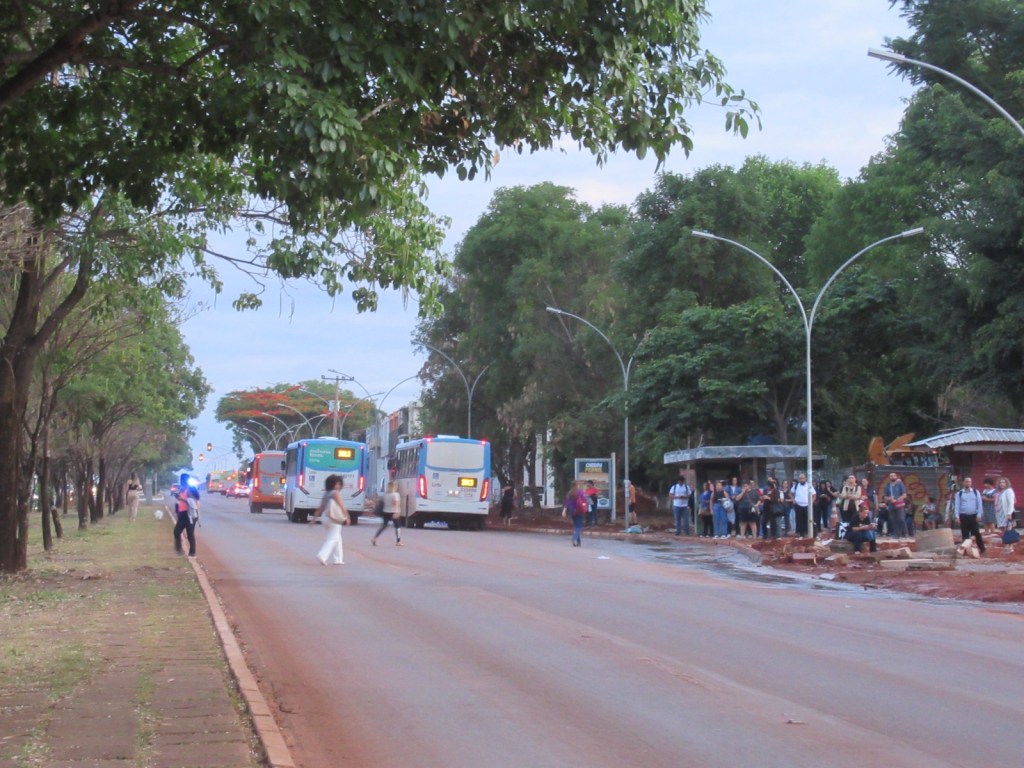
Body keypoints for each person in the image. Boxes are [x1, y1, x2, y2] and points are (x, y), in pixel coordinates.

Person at [311, 474, 348, 565]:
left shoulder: (326, 493)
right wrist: (347, 517)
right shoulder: (335, 493)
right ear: (331, 484)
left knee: (337, 538)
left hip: (325, 518)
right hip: (333, 519)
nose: (338, 486)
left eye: (339, 484)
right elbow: (342, 505)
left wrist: (314, 519)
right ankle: (322, 555)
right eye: (336, 484)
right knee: (332, 539)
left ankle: (338, 559)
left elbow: (320, 508)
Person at [953, 476, 985, 554]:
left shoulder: (975, 492)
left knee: (976, 533)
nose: (968, 483)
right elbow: (957, 505)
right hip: (963, 516)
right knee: (965, 534)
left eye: (969, 482)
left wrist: (979, 514)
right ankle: (966, 550)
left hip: (973, 516)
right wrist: (957, 516)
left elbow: (979, 504)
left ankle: (982, 549)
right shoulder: (959, 493)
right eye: (966, 482)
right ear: (963, 483)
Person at [172, 473, 200, 557]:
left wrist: (182, 499)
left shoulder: (191, 488)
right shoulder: (182, 489)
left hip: (190, 513)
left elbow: (195, 499)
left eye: (183, 480)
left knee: (190, 533)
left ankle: (192, 552)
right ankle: (179, 550)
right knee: (177, 531)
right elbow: (179, 501)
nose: (182, 482)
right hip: (182, 513)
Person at [372, 481, 402, 546]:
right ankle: (398, 541)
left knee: (384, 526)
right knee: (397, 527)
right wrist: (397, 512)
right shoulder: (396, 494)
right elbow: (396, 504)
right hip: (393, 512)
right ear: (394, 487)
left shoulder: (385, 494)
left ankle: (375, 538)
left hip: (385, 512)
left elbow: (381, 503)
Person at [563, 481, 587, 546]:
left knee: (576, 526)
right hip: (579, 511)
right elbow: (584, 500)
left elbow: (566, 502)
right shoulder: (580, 492)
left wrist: (564, 511)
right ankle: (574, 538)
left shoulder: (569, 493)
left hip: (572, 511)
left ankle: (578, 542)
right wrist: (585, 507)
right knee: (579, 527)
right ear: (577, 485)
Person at [791, 472, 814, 537]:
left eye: (803, 478)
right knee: (799, 520)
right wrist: (793, 499)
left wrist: (811, 502)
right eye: (800, 478)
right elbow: (791, 493)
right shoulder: (796, 486)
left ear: (805, 478)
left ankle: (807, 532)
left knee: (807, 519)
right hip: (798, 505)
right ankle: (800, 533)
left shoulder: (809, 486)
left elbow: (814, 495)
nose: (801, 480)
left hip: (807, 506)